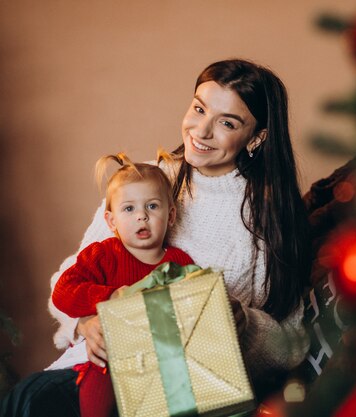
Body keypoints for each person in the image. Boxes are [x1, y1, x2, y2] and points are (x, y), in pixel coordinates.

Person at [1, 59, 312, 417]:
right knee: (34, 402)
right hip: (103, 372)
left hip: (189, 391)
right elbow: (67, 280)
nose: (202, 130)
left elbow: (290, 344)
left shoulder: (270, 221)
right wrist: (86, 323)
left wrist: (242, 322)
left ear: (257, 137)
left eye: (227, 122)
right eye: (199, 108)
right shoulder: (146, 184)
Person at [51, 151, 196, 417]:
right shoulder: (103, 254)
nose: (141, 216)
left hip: (161, 358)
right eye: (129, 209)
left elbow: (195, 305)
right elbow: (63, 292)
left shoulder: (179, 262)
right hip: (109, 356)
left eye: (152, 206)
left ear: (171, 215)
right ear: (111, 220)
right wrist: (109, 297)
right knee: (101, 378)